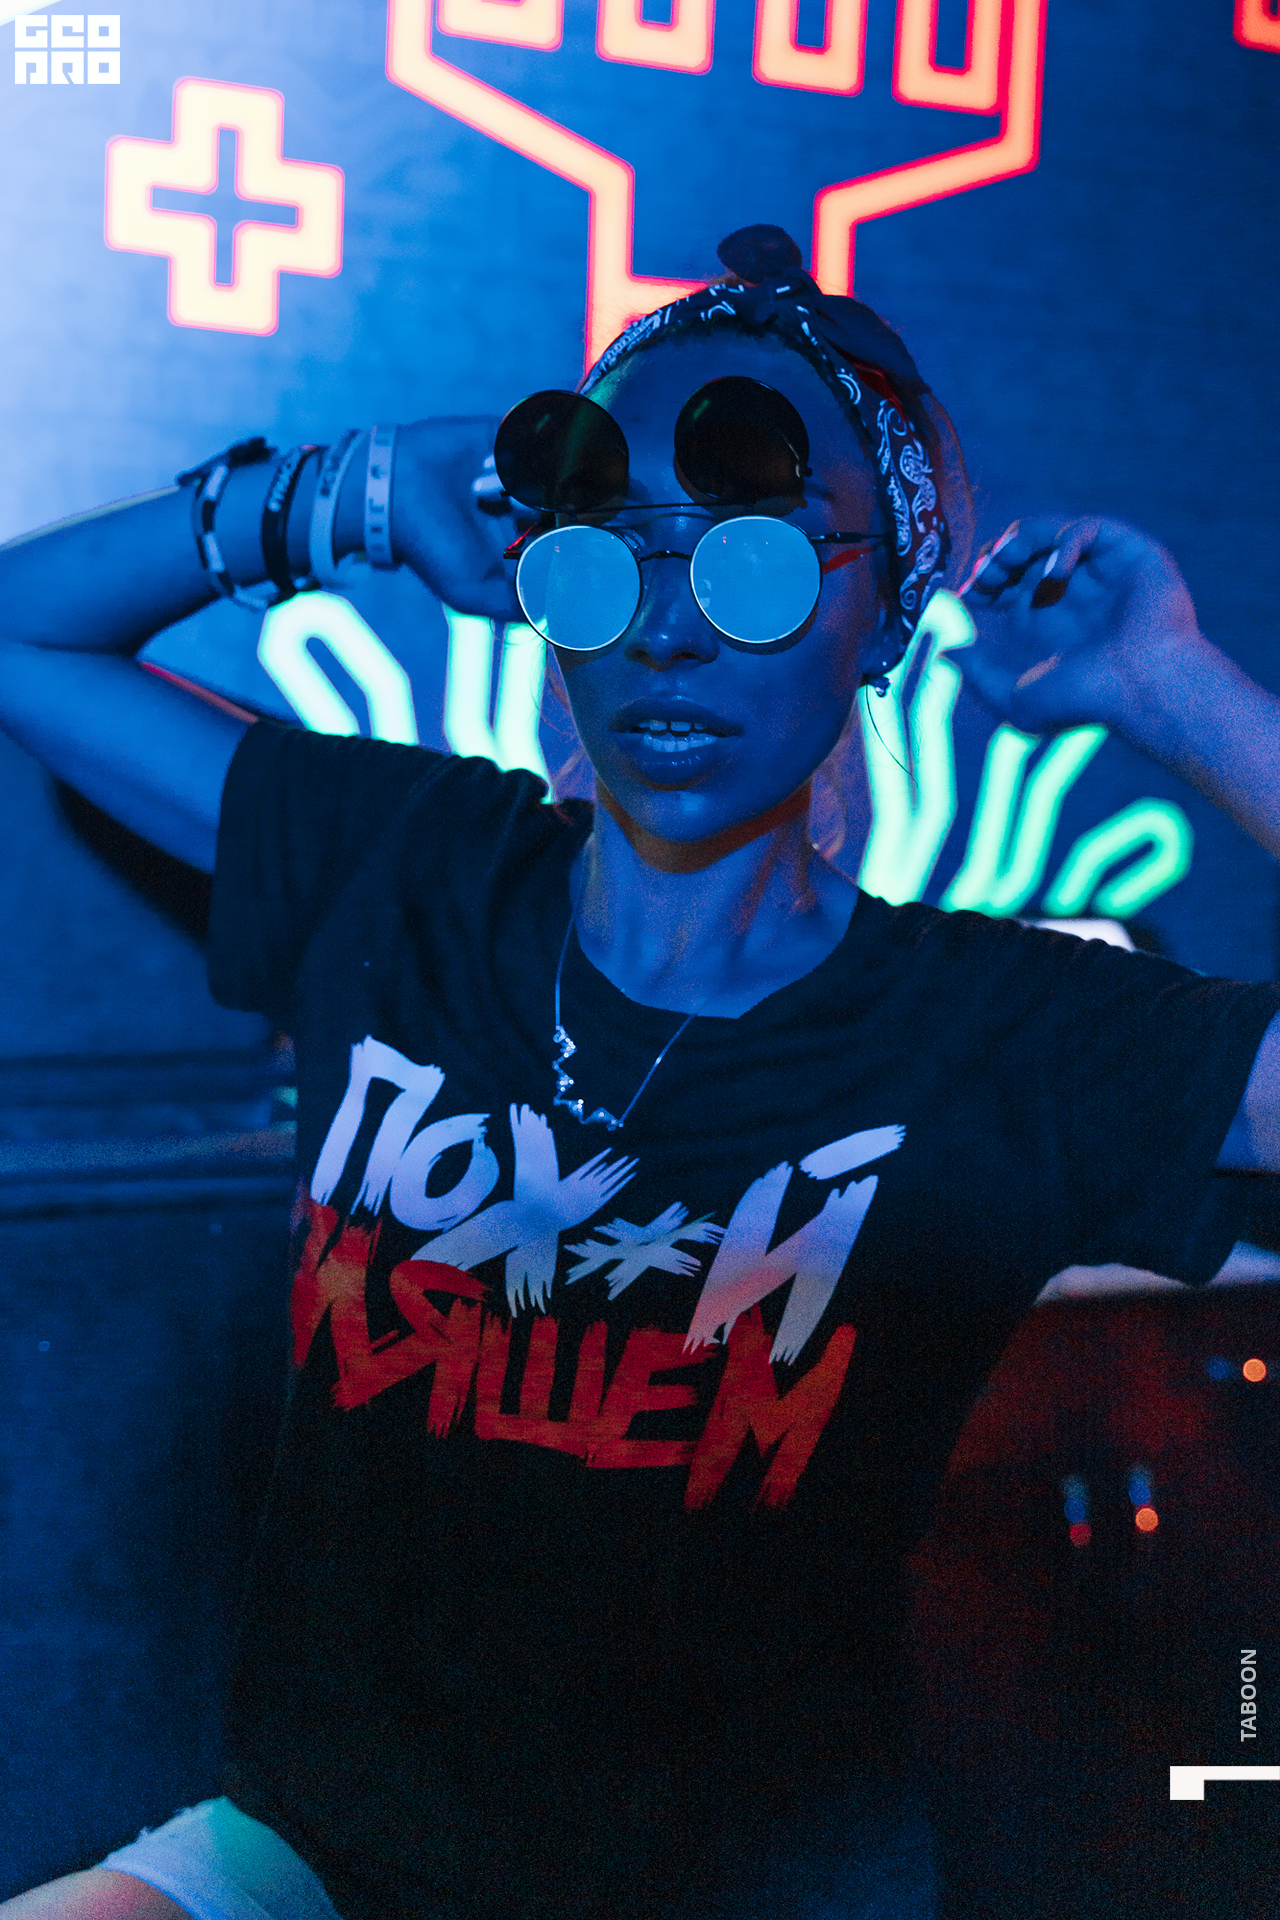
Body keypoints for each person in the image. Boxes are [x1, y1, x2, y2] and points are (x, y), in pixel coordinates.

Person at [1, 224, 1278, 1920]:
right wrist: (344, 496)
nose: (669, 630)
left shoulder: (993, 1027)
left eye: (753, 564)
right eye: (609, 558)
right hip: (311, 1855)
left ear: (881, 611)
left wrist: (1179, 691)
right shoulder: (416, 868)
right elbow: (24, 641)